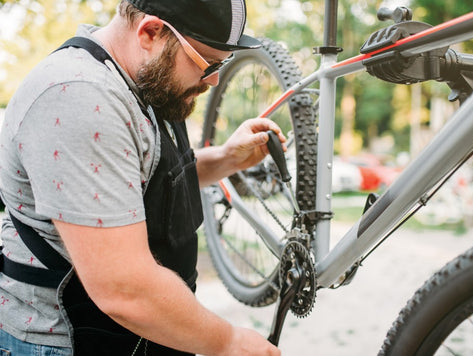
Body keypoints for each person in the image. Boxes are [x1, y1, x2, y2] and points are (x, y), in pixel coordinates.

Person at [0, 0, 283, 355]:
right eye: (207, 62)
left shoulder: (144, 79)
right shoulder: (79, 96)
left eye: (223, 64)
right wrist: (227, 342)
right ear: (150, 32)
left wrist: (227, 158)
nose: (214, 79)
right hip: (66, 342)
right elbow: (123, 288)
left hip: (137, 336)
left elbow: (136, 185)